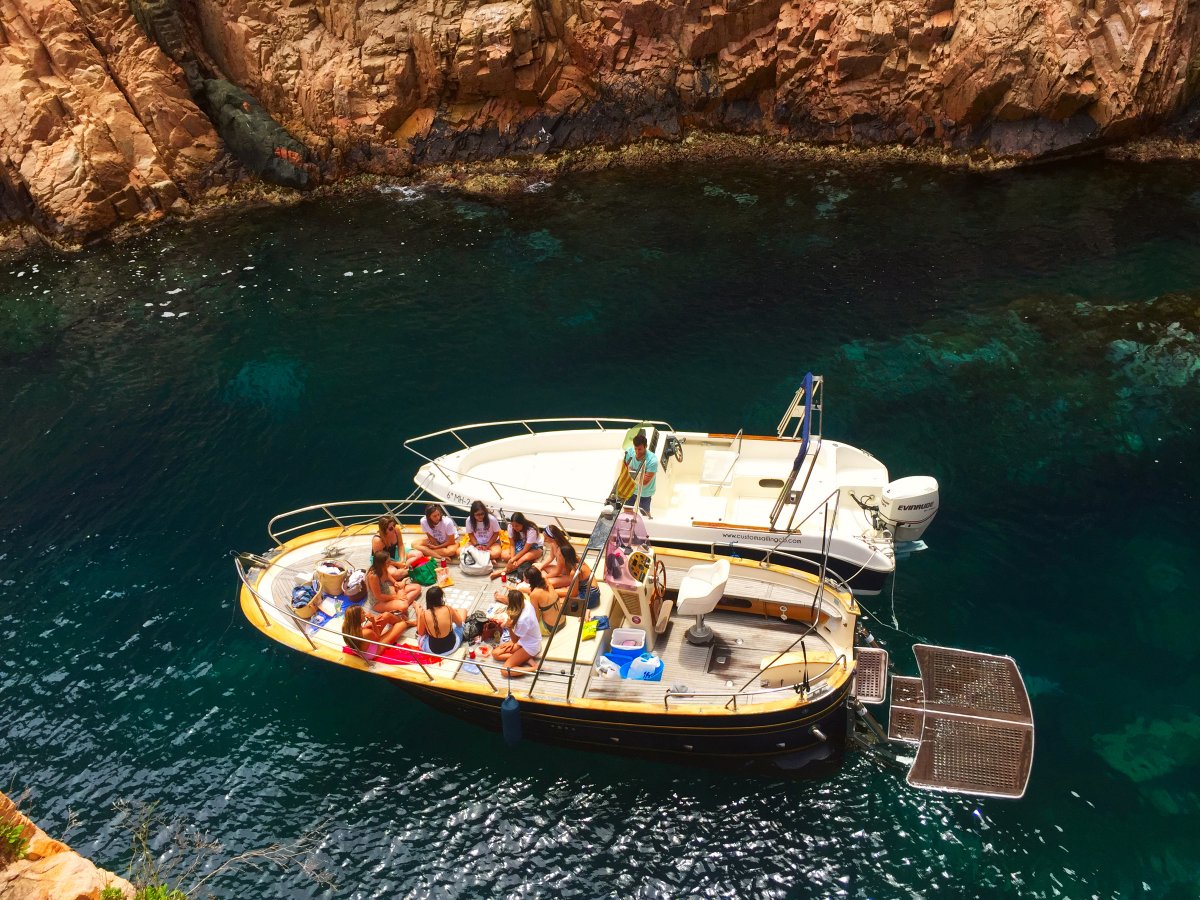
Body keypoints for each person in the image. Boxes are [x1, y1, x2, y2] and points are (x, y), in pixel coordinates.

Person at [491, 589, 541, 677]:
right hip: (523, 640)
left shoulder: (523, 620)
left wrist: (509, 627)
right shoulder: (525, 603)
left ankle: (534, 668)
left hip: (531, 646)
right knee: (495, 654)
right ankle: (525, 659)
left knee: (504, 671)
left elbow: (514, 640)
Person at [366, 550, 421, 618]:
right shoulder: (373, 576)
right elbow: (379, 596)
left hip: (388, 591)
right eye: (388, 562)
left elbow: (387, 574)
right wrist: (396, 597)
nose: (390, 563)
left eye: (389, 561)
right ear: (381, 564)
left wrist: (395, 582)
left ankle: (400, 602)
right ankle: (400, 603)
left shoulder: (383, 567)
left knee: (417, 587)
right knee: (404, 606)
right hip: (379, 602)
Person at [343, 605, 407, 662]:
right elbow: (378, 638)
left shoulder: (345, 628)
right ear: (358, 617)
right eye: (363, 613)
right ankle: (406, 622)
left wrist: (369, 625)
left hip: (362, 647)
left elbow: (361, 631)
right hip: (371, 653)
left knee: (386, 615)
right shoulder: (366, 632)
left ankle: (399, 619)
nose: (365, 613)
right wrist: (373, 621)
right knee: (402, 624)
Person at [491, 511, 541, 579]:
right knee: (504, 555)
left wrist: (511, 561)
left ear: (522, 524)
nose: (514, 527)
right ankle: (531, 561)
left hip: (534, 547)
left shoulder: (531, 530)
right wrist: (513, 559)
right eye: (513, 525)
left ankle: (503, 571)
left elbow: (525, 549)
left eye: (517, 526)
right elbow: (512, 545)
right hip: (520, 544)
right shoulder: (510, 527)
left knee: (524, 558)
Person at [416, 585, 464, 655]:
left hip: (432, 650)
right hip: (452, 647)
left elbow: (421, 633)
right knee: (463, 611)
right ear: (441, 598)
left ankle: (417, 609)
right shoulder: (448, 608)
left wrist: (419, 612)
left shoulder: (423, 614)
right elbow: (459, 624)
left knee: (422, 635)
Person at [622, 432, 658, 515]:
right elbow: (626, 466)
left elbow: (644, 482)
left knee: (644, 512)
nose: (637, 452)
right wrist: (631, 472)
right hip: (631, 489)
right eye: (635, 449)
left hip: (645, 492)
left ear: (646, 446)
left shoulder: (653, 461)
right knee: (627, 508)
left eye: (640, 449)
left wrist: (630, 474)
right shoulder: (629, 452)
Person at [519, 566, 562, 635]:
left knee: (524, 603)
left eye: (524, 577)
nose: (523, 578)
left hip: (551, 628)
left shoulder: (534, 594)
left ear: (528, 580)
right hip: (562, 621)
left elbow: (537, 617)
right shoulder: (547, 583)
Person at [536, 524, 574, 591]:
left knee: (546, 583)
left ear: (553, 538)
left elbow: (557, 571)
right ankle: (550, 578)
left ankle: (562, 583)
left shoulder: (561, 550)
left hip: (570, 575)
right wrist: (541, 566)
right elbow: (551, 557)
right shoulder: (553, 543)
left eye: (546, 538)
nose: (544, 540)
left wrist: (545, 577)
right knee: (535, 565)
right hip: (562, 571)